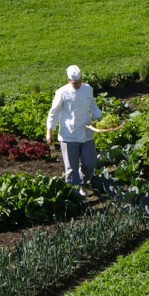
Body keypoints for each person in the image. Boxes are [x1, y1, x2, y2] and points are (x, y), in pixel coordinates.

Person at [46, 65, 102, 197]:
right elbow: (54, 113)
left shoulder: (88, 89)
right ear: (68, 80)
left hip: (86, 131)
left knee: (89, 163)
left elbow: (93, 105)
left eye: (79, 82)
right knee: (71, 167)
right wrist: (49, 131)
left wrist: (98, 118)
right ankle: (74, 194)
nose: (77, 85)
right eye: (75, 83)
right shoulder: (62, 93)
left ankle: (82, 183)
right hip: (68, 134)